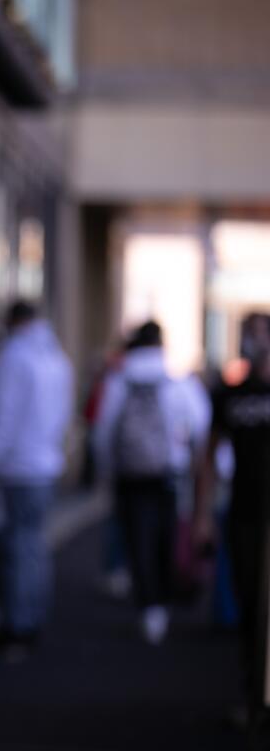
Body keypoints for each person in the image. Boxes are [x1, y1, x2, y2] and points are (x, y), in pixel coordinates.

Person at [91, 321, 210, 644]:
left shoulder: (119, 381)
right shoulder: (177, 382)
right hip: (168, 474)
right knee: (166, 536)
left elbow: (103, 433)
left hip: (130, 476)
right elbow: (201, 425)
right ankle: (162, 601)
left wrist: (107, 469)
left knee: (136, 539)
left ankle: (148, 604)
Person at [0, 301, 72, 658]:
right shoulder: (56, 357)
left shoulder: (13, 358)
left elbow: (2, 416)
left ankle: (14, 626)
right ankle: (31, 619)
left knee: (14, 549)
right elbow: (63, 413)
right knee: (34, 547)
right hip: (45, 464)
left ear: (12, 321)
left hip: (17, 467)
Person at [196, 313, 270, 733]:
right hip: (243, 513)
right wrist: (203, 515)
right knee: (248, 606)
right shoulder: (228, 394)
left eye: (257, 335)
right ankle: (250, 695)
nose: (250, 343)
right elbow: (208, 455)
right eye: (246, 335)